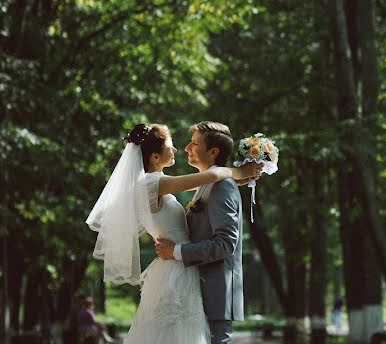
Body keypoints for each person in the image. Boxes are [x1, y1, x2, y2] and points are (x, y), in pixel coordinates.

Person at [86, 123, 260, 344]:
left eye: (193, 143)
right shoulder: (152, 184)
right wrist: (238, 172)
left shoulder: (155, 185)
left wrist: (237, 179)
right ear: (156, 157)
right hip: (175, 270)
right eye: (171, 145)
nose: (180, 148)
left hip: (179, 269)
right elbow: (214, 175)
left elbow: (208, 182)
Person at [154, 121, 245, 344]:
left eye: (194, 143)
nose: (187, 148)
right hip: (196, 290)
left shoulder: (222, 186)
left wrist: (175, 251)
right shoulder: (208, 184)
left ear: (213, 152)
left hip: (215, 292)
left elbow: (225, 244)